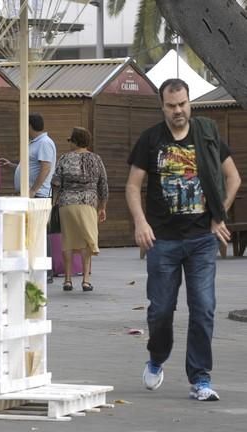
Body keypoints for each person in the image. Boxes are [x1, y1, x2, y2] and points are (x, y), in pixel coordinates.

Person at [125, 78, 241, 401]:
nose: (178, 111)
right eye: (172, 105)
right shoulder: (151, 140)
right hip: (162, 240)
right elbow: (133, 186)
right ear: (162, 106)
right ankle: (157, 357)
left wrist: (219, 214)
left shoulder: (206, 135)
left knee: (203, 308)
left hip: (202, 239)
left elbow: (233, 177)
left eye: (183, 104)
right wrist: (140, 223)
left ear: (190, 102)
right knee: (161, 310)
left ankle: (200, 378)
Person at [1, 113, 57, 282]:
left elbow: (45, 168)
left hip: (38, 194)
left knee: (39, 232)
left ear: (30, 126)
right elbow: (30, 166)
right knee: (30, 232)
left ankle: (46, 271)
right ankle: (32, 266)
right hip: (29, 193)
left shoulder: (45, 143)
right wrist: (12, 166)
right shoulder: (34, 143)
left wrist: (33, 190)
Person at [51, 127, 108, 292]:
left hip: (67, 204)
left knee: (67, 240)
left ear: (75, 141)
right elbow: (103, 185)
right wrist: (102, 207)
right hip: (88, 203)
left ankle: (67, 280)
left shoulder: (64, 159)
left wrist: (54, 202)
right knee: (86, 241)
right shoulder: (96, 159)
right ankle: (85, 280)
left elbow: (56, 183)